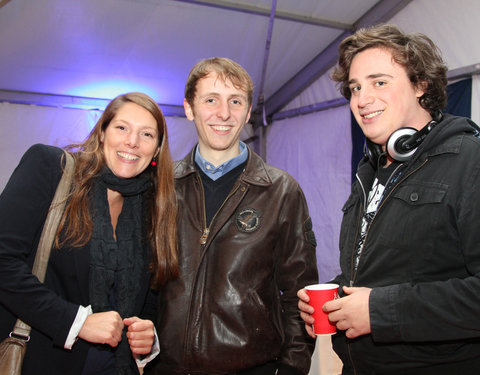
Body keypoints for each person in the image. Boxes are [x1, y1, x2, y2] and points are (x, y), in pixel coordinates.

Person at [297, 23, 480, 374]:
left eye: (379, 82)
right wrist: (337, 298)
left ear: (420, 86)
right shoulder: (371, 171)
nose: (362, 100)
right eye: (355, 87)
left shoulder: (468, 160)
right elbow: (386, 271)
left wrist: (380, 310)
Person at [144, 57, 318, 375]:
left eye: (235, 101)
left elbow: (300, 296)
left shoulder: (280, 191)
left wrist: (293, 369)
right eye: (211, 100)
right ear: (189, 108)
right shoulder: (161, 187)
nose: (223, 114)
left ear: (248, 111)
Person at [0, 92, 178, 375]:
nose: (132, 141)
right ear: (102, 132)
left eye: (147, 134)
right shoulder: (50, 168)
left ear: (156, 150)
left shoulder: (152, 209)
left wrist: (149, 332)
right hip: (41, 360)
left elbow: (149, 297)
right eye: (122, 128)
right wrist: (76, 322)